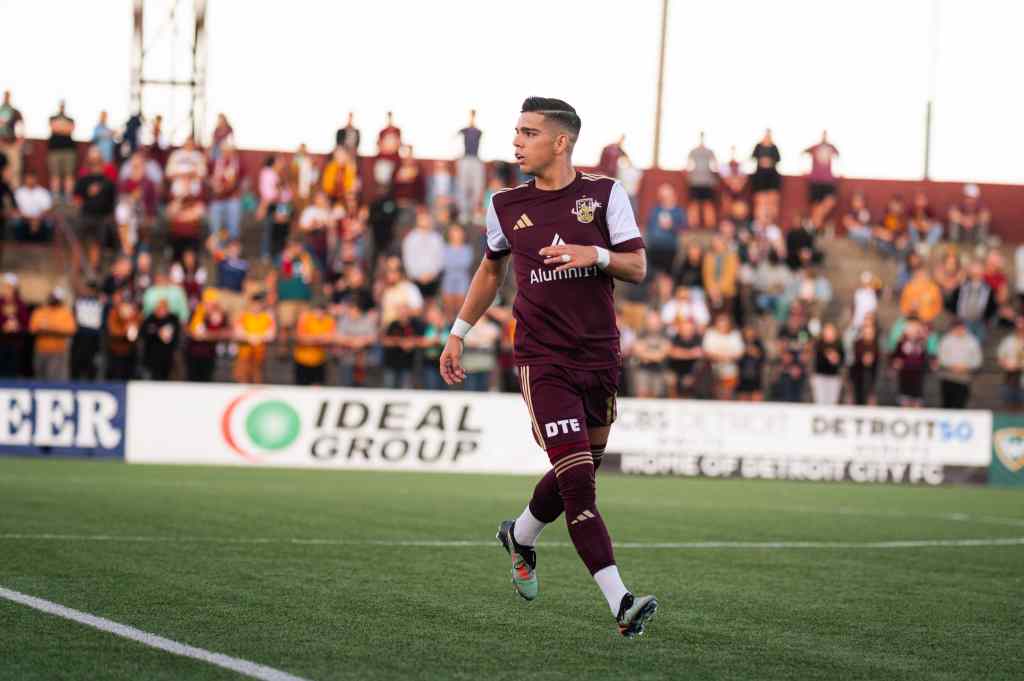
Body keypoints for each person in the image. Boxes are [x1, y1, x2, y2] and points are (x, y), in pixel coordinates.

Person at [437, 97, 656, 636]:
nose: (517, 142)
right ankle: (622, 603)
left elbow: (636, 266)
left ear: (561, 142)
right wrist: (457, 332)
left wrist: (594, 255)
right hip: (543, 359)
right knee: (579, 482)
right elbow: (491, 272)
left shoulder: (604, 194)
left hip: (599, 356)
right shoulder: (505, 204)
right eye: (516, 131)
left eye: (528, 133)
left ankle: (521, 535)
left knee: (580, 468)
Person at [73, 151, 117, 272]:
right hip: (85, 216)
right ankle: (77, 268)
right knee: (79, 243)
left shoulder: (109, 183)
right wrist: (85, 198)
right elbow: (76, 198)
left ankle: (93, 270)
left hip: (101, 218)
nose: (96, 165)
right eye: (93, 162)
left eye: (98, 162)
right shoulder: (83, 180)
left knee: (96, 244)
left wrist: (109, 216)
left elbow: (112, 202)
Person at [29, 287, 76, 381]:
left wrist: (49, 329)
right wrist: (53, 329)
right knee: (39, 377)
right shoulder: (40, 311)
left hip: (58, 351)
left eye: (56, 298)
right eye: (53, 297)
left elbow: (70, 330)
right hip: (40, 350)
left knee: (55, 378)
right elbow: (33, 329)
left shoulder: (65, 313)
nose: (54, 299)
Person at [185, 290, 230, 382]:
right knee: (192, 380)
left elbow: (227, 332)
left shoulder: (220, 315)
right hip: (193, 352)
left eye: (211, 303)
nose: (208, 305)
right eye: (206, 302)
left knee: (207, 379)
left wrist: (208, 335)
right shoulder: (196, 312)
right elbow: (187, 328)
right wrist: (193, 333)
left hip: (210, 354)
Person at [936, 319, 982, 409]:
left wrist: (966, 367)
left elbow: (977, 359)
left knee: (960, 405)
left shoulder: (972, 341)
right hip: (948, 378)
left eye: (962, 328)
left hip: (964, 379)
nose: (960, 330)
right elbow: (941, 357)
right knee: (946, 405)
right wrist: (952, 366)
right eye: (957, 328)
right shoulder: (946, 340)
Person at [402, 208, 445, 300]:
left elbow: (440, 258)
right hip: (415, 279)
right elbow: (408, 260)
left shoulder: (437, 238)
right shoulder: (410, 239)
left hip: (433, 279)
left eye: (426, 218)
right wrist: (418, 276)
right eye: (422, 218)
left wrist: (432, 274)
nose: (425, 221)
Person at [233, 293, 276, 384]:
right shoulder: (243, 316)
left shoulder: (267, 317)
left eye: (258, 304)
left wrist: (258, 337)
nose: (256, 307)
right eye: (254, 304)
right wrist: (250, 337)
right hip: (245, 353)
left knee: (257, 374)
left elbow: (271, 335)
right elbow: (238, 332)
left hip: (260, 353)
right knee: (243, 374)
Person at [890, 317, 932, 408]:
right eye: (910, 327)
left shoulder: (923, 343)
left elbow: (927, 360)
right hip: (905, 378)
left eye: (915, 327)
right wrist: (895, 364)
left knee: (917, 404)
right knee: (905, 403)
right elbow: (895, 358)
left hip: (918, 379)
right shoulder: (901, 343)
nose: (912, 330)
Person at [644, 184, 686, 275]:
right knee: (653, 276)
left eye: (667, 196)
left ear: (673, 196)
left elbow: (683, 229)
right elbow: (649, 227)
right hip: (653, 248)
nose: (665, 199)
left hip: (669, 248)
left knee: (668, 275)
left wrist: (671, 226)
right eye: (663, 197)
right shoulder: (655, 210)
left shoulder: (678, 211)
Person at [381, 303, 425, 389]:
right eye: (401, 311)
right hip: (391, 364)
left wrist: (412, 342)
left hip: (408, 365)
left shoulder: (415, 324)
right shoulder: (392, 325)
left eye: (404, 311)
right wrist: (400, 342)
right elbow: (384, 341)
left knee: (406, 390)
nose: (403, 314)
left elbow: (422, 340)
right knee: (388, 390)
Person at [292, 301, 336, 386]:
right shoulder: (305, 318)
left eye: (321, 310)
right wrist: (319, 338)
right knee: (301, 387)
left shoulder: (329, 320)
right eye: (316, 310)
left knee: (317, 387)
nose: (318, 313)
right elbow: (301, 338)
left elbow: (331, 338)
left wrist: (311, 338)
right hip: (302, 360)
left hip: (319, 360)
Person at [702, 313, 744, 400]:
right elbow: (706, 351)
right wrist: (720, 357)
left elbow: (740, 351)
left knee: (729, 381)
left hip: (731, 366)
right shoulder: (710, 333)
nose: (722, 326)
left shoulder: (735, 334)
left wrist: (727, 358)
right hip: (712, 366)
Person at [630, 311, 672, 398]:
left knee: (657, 397)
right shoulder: (641, 333)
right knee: (642, 394)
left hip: (660, 370)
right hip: (642, 369)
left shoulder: (665, 334)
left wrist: (646, 355)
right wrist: (655, 354)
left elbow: (662, 355)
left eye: (655, 320)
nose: (653, 323)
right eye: (651, 320)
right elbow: (637, 351)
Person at [803, 131, 839, 226]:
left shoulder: (831, 147)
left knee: (830, 201)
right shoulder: (815, 147)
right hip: (815, 181)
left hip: (828, 181)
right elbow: (803, 153)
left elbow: (838, 155)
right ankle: (815, 225)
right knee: (815, 206)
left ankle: (814, 224)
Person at [456, 110, 485, 223]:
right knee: (463, 187)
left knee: (477, 188)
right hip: (465, 159)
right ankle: (464, 214)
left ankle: (475, 214)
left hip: (476, 159)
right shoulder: (464, 130)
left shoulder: (478, 131)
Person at [209, 141, 242, 240]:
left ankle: (232, 242)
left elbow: (240, 181)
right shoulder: (214, 163)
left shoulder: (238, 164)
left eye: (229, 151)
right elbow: (208, 178)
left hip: (232, 197)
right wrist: (214, 186)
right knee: (215, 218)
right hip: (217, 198)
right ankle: (217, 243)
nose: (226, 153)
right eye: (224, 151)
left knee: (234, 213)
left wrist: (231, 188)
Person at [70, 281, 103, 380]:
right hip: (79, 338)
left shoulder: (100, 303)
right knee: (77, 364)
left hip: (93, 339)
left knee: (91, 366)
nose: (88, 292)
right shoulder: (79, 302)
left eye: (90, 290)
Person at [141, 298, 180, 380]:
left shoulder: (173, 319)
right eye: (159, 308)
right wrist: (158, 333)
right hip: (152, 358)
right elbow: (144, 334)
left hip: (168, 358)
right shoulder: (150, 319)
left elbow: (177, 337)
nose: (161, 310)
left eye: (164, 308)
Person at [105, 291, 140, 380]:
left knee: (130, 375)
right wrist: (125, 329)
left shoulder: (134, 314)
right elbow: (113, 331)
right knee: (116, 376)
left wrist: (130, 323)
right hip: (116, 351)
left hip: (130, 351)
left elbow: (134, 333)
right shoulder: (113, 313)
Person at [441, 224, 473, 321]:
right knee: (448, 307)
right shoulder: (444, 248)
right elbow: (444, 264)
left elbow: (465, 264)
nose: (456, 234)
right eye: (454, 231)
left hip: (462, 280)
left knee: (461, 308)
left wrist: (453, 264)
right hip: (448, 280)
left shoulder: (467, 249)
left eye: (458, 231)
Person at [686, 131, 718, 229]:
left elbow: (714, 166)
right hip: (696, 182)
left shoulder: (709, 152)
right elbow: (688, 166)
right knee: (695, 204)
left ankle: (709, 225)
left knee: (707, 205)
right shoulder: (693, 151)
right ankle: (693, 225)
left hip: (706, 182)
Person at [12, 170, 55, 242]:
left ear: (36, 179)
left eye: (32, 178)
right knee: (15, 221)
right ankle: (19, 242)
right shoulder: (18, 192)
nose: (30, 180)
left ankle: (45, 242)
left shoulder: (43, 192)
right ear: (24, 179)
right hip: (23, 218)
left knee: (49, 222)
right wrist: (29, 219)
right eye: (28, 178)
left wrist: (37, 218)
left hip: (40, 218)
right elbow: (15, 208)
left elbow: (47, 209)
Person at [0, 274, 29, 377]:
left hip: (15, 343)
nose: (7, 290)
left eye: (10, 287)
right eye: (5, 286)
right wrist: (3, 327)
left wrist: (18, 327)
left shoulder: (20, 304)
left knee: (12, 370)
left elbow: (26, 324)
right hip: (1, 341)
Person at [750, 129, 781, 222]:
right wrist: (763, 161)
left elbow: (778, 159)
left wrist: (769, 162)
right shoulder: (758, 146)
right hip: (760, 177)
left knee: (772, 201)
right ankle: (760, 221)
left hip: (772, 176)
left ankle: (771, 221)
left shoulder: (774, 147)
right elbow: (752, 157)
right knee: (760, 201)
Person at [810, 322, 844, 404]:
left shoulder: (839, 345)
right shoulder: (819, 345)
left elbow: (842, 361)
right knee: (820, 401)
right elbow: (816, 362)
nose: (829, 334)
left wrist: (836, 359)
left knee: (832, 402)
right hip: (820, 377)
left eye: (831, 331)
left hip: (834, 377)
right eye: (827, 331)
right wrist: (827, 357)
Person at [47, 100, 77, 197]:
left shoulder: (70, 119)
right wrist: (64, 127)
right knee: (55, 174)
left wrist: (60, 127)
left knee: (69, 174)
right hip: (54, 150)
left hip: (69, 150)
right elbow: (54, 128)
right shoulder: (52, 118)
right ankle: (55, 196)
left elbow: (70, 129)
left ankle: (68, 196)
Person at [848, 321, 880, 406]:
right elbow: (852, 360)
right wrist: (863, 359)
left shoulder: (876, 345)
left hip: (872, 378)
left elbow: (879, 361)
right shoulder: (857, 344)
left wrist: (872, 359)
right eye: (866, 332)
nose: (868, 334)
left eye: (870, 332)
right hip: (857, 378)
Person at [997, 316, 1024, 411]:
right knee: (1008, 405)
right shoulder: (1008, 341)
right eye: (1019, 326)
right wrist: (1005, 364)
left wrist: (1019, 365)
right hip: (1010, 376)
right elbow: (1000, 356)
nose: (1020, 329)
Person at [0, 91, 25, 186]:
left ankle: (14, 189)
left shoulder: (15, 112)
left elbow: (21, 126)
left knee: (15, 169)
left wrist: (19, 142)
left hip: (12, 145)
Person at [736, 325, 765, 401]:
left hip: (756, 377)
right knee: (742, 400)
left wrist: (754, 352)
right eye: (748, 332)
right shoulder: (739, 343)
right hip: (742, 377)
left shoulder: (759, 344)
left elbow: (762, 357)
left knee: (757, 399)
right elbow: (736, 357)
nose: (750, 335)